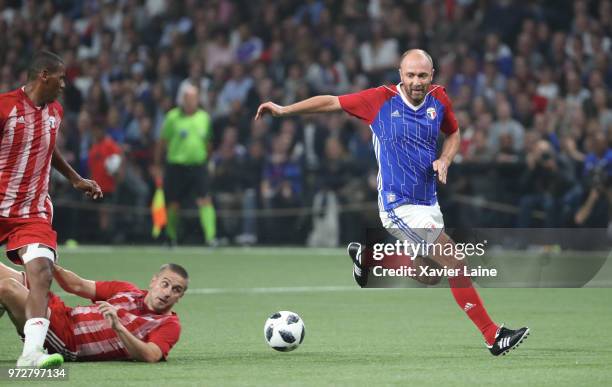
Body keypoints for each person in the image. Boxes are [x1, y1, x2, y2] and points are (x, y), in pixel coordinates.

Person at [256, 49, 529, 356]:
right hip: (397, 206)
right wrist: (283, 110)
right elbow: (331, 101)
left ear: (432, 75)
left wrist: (445, 159)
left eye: (422, 75)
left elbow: (453, 133)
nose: (416, 81)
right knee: (455, 260)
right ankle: (493, 335)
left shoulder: (439, 99)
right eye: (410, 75)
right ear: (400, 74)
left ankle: (370, 258)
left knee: (431, 274)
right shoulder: (379, 99)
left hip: (428, 203)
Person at [0, 51, 103, 367]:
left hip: (33, 212)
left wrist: (75, 178)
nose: (63, 85)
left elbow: (47, 144)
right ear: (44, 75)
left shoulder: (55, 112)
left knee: (42, 271)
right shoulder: (5, 107)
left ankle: (31, 353)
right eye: (61, 77)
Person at [0, 261, 186, 362]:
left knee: (7, 288)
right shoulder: (127, 289)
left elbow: (151, 355)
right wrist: (46, 263)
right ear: (154, 281)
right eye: (165, 284)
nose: (168, 293)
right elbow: (77, 285)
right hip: (62, 313)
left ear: (181, 296)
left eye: (176, 290)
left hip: (66, 340)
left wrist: (118, 327)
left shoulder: (169, 324)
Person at [152, 84, 216, 246]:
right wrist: (157, 164)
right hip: (176, 166)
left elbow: (209, 143)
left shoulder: (204, 118)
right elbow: (162, 142)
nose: (190, 101)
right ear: (182, 99)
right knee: (173, 202)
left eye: (193, 98)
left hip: (198, 165)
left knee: (205, 200)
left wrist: (207, 161)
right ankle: (170, 236)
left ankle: (211, 237)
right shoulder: (172, 117)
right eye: (187, 98)